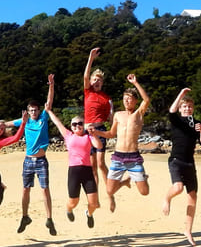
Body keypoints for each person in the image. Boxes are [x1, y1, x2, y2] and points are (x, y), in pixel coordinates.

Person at [91, 74, 151, 212]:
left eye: (130, 99)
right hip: (118, 157)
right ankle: (125, 182)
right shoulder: (118, 115)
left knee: (144, 192)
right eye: (125, 99)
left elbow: (146, 100)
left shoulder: (139, 114)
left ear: (135, 101)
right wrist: (96, 132)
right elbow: (111, 134)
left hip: (133, 158)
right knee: (110, 191)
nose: (127, 101)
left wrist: (135, 82)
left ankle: (143, 178)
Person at [9, 75, 56, 235]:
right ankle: (24, 216)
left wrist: (51, 85)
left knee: (45, 189)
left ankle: (49, 219)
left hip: (41, 161)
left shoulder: (43, 117)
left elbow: (49, 103)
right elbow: (8, 123)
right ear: (28, 112)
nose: (34, 112)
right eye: (31, 111)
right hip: (28, 161)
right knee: (25, 190)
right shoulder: (25, 121)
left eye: (35, 110)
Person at [160, 88, 201, 247]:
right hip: (176, 160)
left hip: (189, 162)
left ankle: (188, 230)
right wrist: (181, 93)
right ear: (181, 108)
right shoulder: (176, 120)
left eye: (189, 106)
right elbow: (171, 110)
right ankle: (167, 198)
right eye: (184, 106)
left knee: (193, 196)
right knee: (178, 188)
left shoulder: (196, 123)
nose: (187, 109)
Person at [45, 102, 103, 229]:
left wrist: (94, 134)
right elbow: (57, 123)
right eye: (74, 124)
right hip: (74, 172)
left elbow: (99, 146)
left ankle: (89, 214)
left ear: (84, 126)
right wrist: (49, 111)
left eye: (80, 123)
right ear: (71, 127)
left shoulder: (88, 137)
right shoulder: (68, 135)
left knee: (93, 203)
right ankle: (69, 210)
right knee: (73, 202)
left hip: (87, 172)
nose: (77, 126)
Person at [83, 47, 114, 184]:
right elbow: (85, 76)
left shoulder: (106, 98)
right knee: (92, 166)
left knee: (101, 164)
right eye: (94, 79)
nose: (97, 82)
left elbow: (110, 118)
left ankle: (110, 187)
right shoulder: (88, 92)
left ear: (102, 83)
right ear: (91, 81)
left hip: (100, 131)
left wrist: (112, 114)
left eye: (99, 80)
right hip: (87, 131)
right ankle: (94, 194)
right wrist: (91, 58)